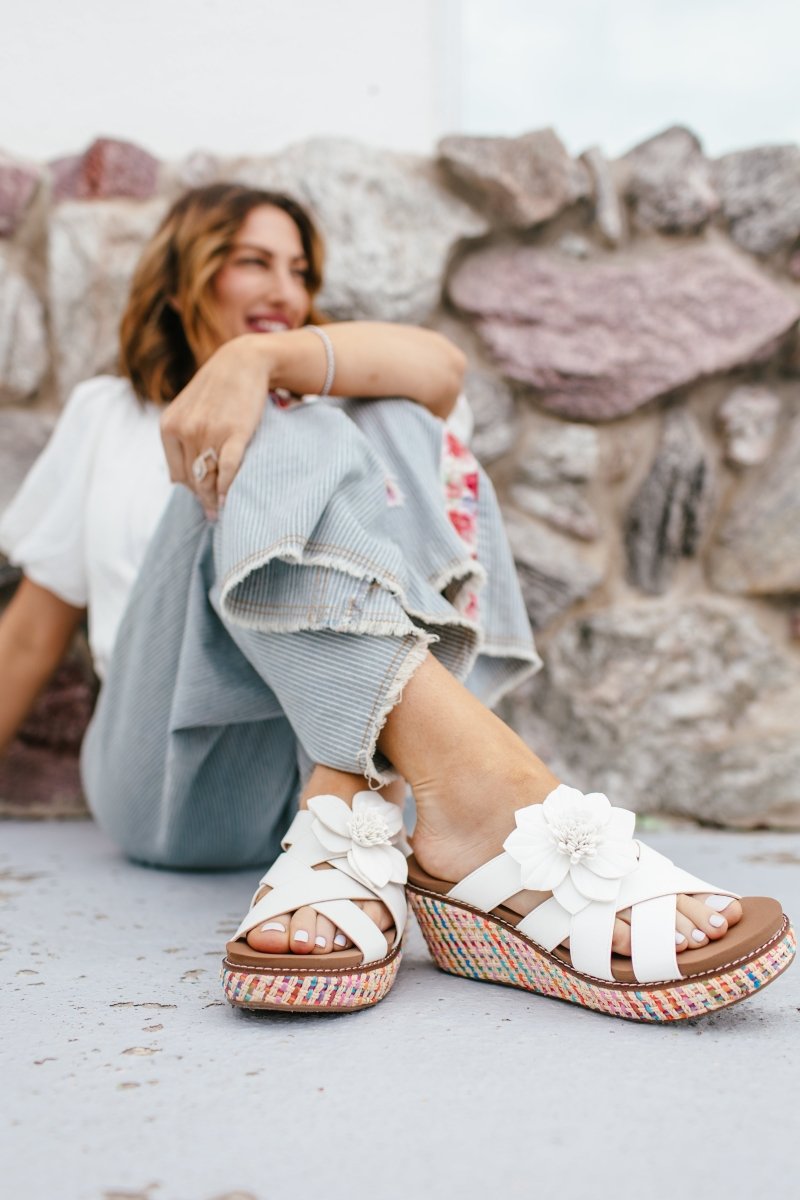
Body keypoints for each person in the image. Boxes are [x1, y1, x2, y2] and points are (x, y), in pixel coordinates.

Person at [0, 183, 793, 1021]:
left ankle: (344, 811)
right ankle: (495, 804)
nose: (284, 288)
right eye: (252, 262)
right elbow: (26, 641)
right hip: (174, 774)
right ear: (181, 276)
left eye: (300, 269)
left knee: (395, 419)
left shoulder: (324, 412)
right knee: (280, 427)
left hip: (318, 770)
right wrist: (254, 396)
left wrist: (255, 360)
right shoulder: (103, 415)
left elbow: (439, 371)